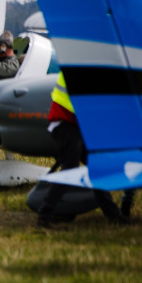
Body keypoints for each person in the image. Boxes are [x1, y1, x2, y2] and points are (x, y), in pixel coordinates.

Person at [37, 72, 126, 227]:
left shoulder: (81, 67)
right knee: (69, 170)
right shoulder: (78, 70)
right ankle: (44, 215)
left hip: (75, 126)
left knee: (95, 168)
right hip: (65, 125)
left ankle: (113, 215)